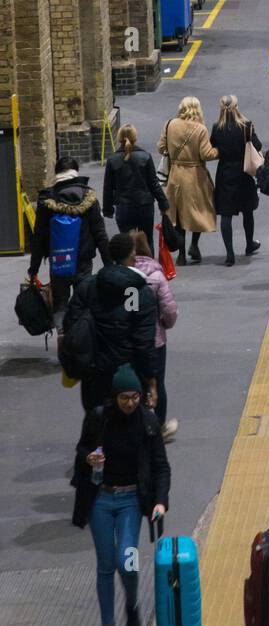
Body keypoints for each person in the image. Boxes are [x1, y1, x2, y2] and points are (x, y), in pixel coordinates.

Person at [72, 362, 170, 626]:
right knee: (105, 565)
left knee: (127, 559)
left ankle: (131, 603)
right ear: (114, 397)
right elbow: (80, 449)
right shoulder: (98, 420)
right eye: (125, 397)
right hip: (101, 499)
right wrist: (88, 458)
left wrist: (160, 500)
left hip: (129, 500)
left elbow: (161, 466)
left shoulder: (148, 422)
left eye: (135, 397)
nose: (130, 403)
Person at [66, 232, 159, 413]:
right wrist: (151, 379)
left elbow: (72, 324)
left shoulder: (89, 286)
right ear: (133, 255)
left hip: (94, 372)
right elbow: (144, 341)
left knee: (96, 425)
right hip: (128, 374)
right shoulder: (138, 292)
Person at [28, 157, 111, 322]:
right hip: (83, 261)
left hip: (58, 260)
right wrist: (109, 264)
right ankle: (82, 338)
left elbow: (39, 237)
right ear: (76, 172)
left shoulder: (46, 200)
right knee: (84, 303)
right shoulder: (89, 197)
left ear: (57, 173)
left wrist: (34, 269)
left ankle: (62, 337)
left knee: (60, 305)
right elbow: (100, 234)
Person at [157, 97, 219, 265]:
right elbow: (206, 154)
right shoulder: (201, 129)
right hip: (195, 175)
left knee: (178, 215)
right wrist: (218, 150)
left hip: (175, 175)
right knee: (197, 212)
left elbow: (161, 147)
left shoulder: (170, 124)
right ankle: (194, 245)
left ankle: (182, 255)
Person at [132, 231, 179, 441]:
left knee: (136, 382)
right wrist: (165, 325)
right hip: (156, 340)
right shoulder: (157, 276)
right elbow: (169, 310)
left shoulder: (124, 276)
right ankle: (159, 426)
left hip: (131, 340)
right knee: (158, 383)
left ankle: (137, 425)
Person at [209, 95, 262, 266]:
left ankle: (230, 254)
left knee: (226, 214)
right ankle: (249, 244)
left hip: (225, 173)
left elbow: (212, 146)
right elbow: (258, 146)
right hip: (244, 173)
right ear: (237, 107)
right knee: (248, 211)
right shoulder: (246, 126)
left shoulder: (217, 127)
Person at [102, 125, 169, 256]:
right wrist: (163, 203)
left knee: (127, 243)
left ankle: (130, 270)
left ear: (119, 138)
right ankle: (148, 268)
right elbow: (153, 183)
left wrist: (108, 210)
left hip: (123, 206)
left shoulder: (113, 160)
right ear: (135, 138)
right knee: (147, 240)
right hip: (144, 205)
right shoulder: (145, 156)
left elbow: (108, 187)